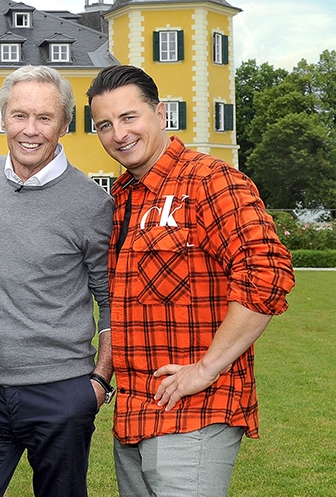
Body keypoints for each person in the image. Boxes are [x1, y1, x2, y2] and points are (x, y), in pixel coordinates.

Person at [86, 64, 296, 496]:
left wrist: (206, 368)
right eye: (105, 125)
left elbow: (268, 273)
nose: (118, 134)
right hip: (134, 413)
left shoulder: (209, 180)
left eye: (129, 117)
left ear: (160, 113)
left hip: (195, 412)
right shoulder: (123, 196)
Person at [0, 65, 115, 497]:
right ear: (3, 118)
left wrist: (98, 382)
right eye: (20, 115)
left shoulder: (93, 204)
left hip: (61, 393)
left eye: (45, 117)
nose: (30, 130)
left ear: (65, 124)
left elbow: (112, 301)